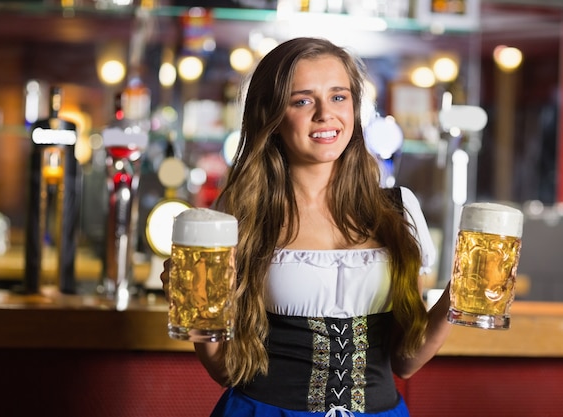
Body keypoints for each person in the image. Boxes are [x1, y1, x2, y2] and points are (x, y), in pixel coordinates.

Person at [161, 37, 452, 417]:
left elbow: (406, 361)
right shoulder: (240, 215)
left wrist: (458, 294)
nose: (325, 114)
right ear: (273, 116)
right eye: (302, 100)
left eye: (338, 97)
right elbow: (227, 369)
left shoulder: (398, 211)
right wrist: (198, 314)